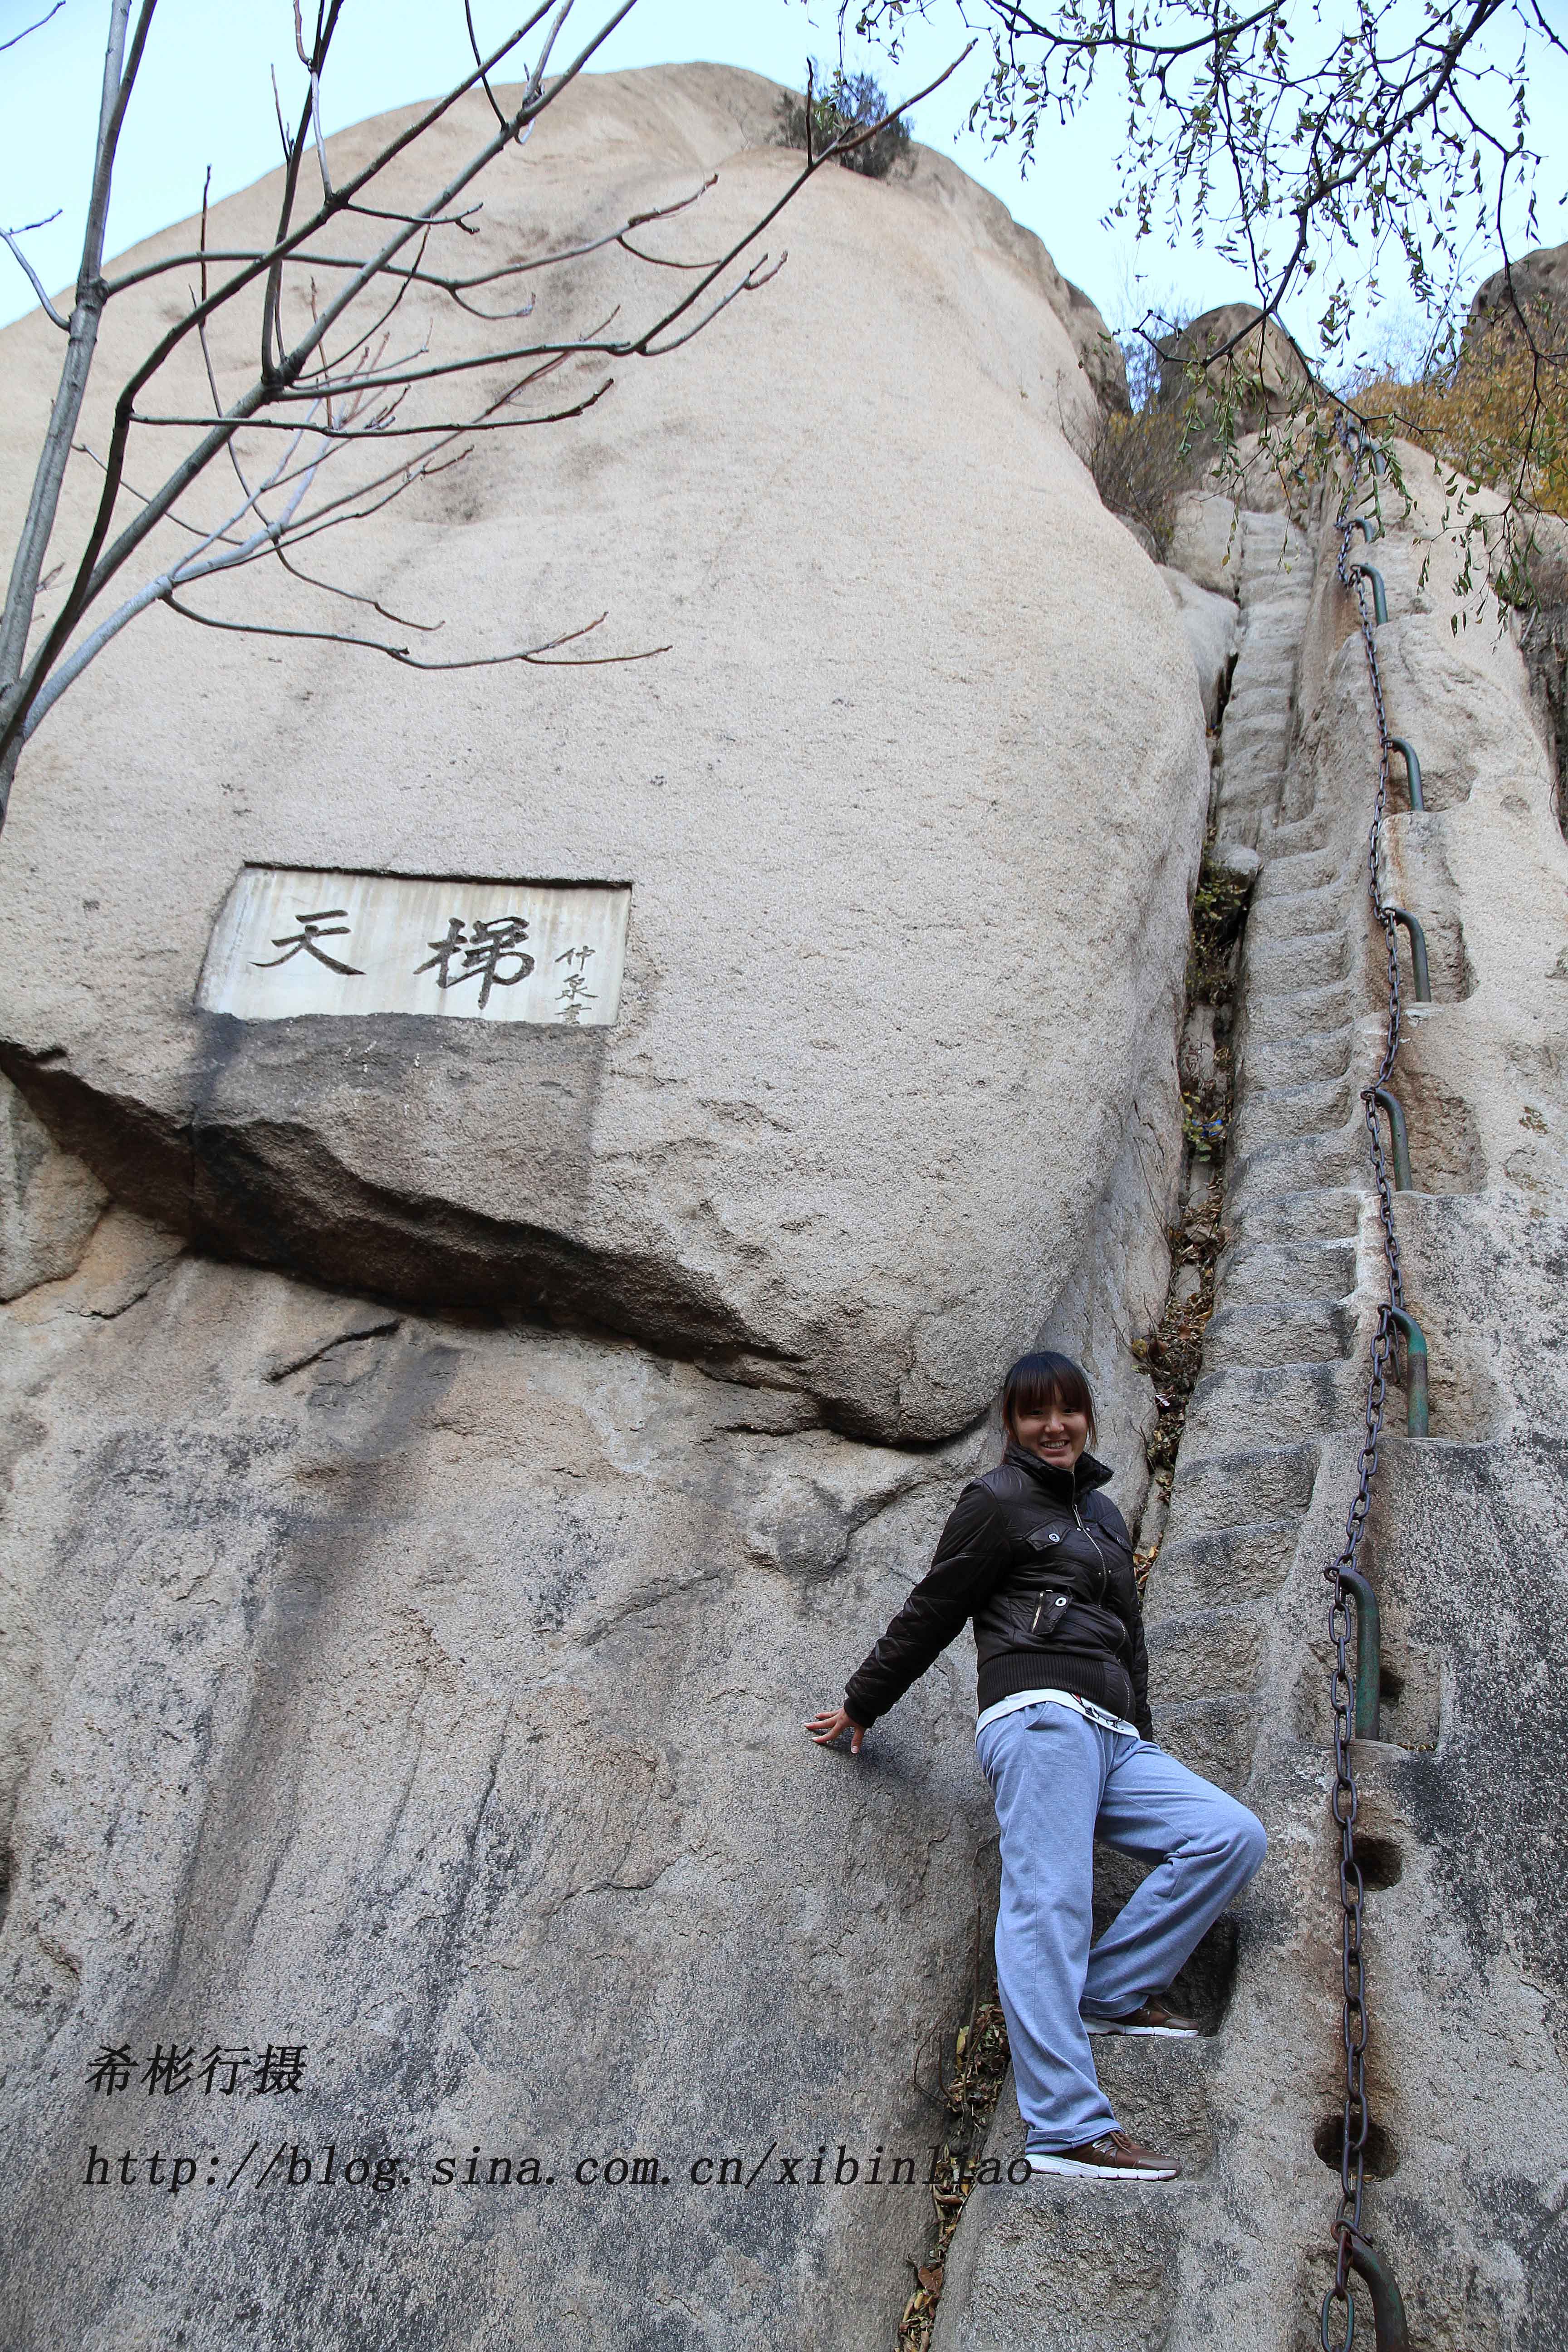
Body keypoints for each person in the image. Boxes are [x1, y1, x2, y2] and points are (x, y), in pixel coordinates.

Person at [807, 1349, 1266, 2182]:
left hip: (1111, 1732)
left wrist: (1145, 1735)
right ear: (1012, 1426)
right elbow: (934, 1607)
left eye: (1068, 1411)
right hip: (1040, 1716)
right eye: (1034, 1414)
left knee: (1229, 1835)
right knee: (1050, 1902)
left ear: (1088, 1416)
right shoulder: (997, 1501)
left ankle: (1111, 1992)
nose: (1054, 1427)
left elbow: (1130, 1642)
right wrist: (864, 1702)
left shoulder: (1105, 1516)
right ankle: (1064, 2125)